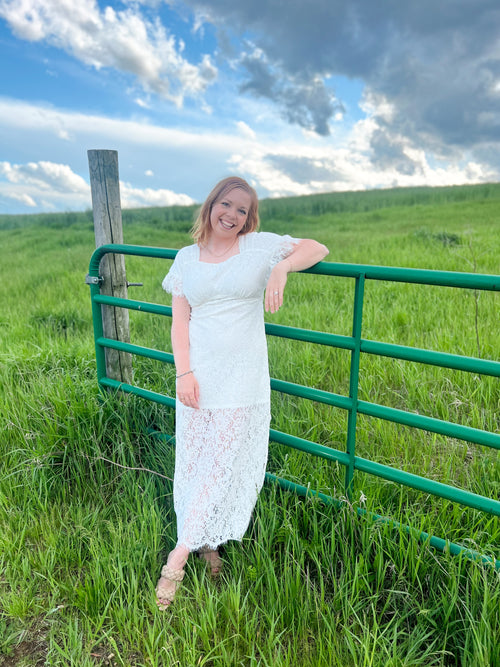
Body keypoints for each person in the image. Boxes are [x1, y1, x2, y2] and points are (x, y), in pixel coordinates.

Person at [156, 176, 329, 609]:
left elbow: (317, 247)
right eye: (226, 205)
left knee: (224, 460)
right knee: (197, 460)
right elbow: (180, 324)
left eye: (243, 211)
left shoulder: (256, 247)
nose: (232, 216)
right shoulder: (185, 260)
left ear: (249, 219)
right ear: (211, 203)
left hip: (243, 377)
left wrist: (282, 266)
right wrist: (183, 373)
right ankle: (208, 545)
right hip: (199, 375)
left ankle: (178, 557)